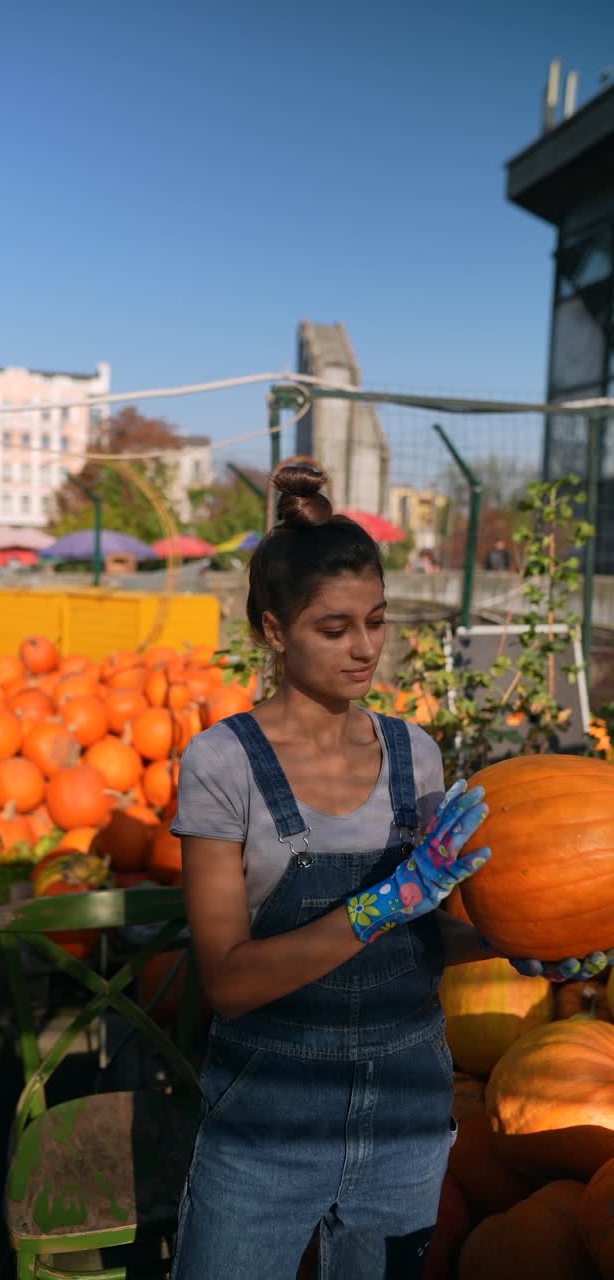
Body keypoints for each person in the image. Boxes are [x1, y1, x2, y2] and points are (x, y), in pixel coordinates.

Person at [170, 465, 608, 1280]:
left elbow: (415, 931)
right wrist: (386, 901)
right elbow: (227, 982)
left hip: (406, 1109)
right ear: (274, 630)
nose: (366, 648)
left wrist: (514, 945)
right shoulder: (221, 761)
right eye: (333, 628)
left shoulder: (416, 753)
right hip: (270, 1115)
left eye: (376, 621)